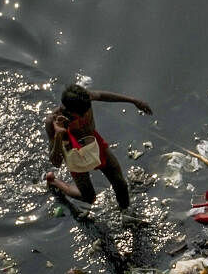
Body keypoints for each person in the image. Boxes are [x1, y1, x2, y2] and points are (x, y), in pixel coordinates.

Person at [45, 84, 152, 220]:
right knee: (89, 197)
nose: (84, 115)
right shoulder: (53, 122)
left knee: (121, 184)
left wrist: (134, 101)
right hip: (75, 157)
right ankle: (54, 182)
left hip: (95, 145)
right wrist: (59, 135)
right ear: (68, 110)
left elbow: (102, 96)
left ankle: (126, 214)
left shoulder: (83, 100)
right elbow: (56, 162)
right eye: (80, 114)